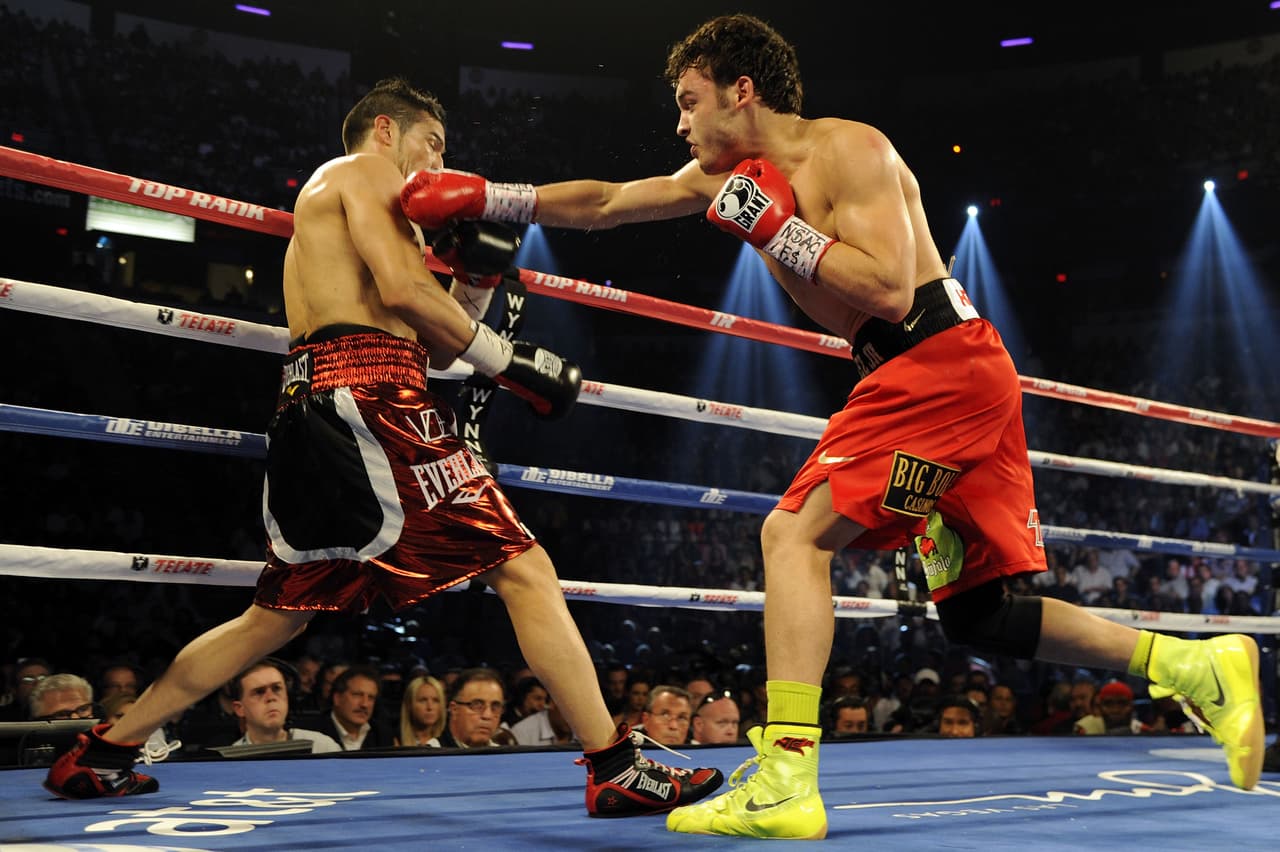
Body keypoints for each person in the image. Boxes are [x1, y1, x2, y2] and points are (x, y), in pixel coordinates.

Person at [400, 14, 1265, 838]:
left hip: (936, 362)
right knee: (981, 612)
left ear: (743, 91)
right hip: (940, 377)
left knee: (793, 535)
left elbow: (887, 289)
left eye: (689, 102)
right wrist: (490, 195)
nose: (678, 124)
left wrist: (776, 227)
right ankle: (1193, 664)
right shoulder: (723, 178)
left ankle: (787, 776)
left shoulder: (851, 147)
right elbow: (608, 202)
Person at [44, 77, 722, 817]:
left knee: (276, 616)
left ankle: (103, 751)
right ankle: (615, 765)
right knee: (524, 569)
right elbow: (401, 295)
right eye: (434, 145)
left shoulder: (358, 214)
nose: (438, 164)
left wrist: (473, 282)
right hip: (367, 402)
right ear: (388, 131)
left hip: (330, 403)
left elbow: (422, 347)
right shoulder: (362, 171)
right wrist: (511, 360)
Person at [227, 659, 340, 753]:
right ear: (239, 709)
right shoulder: (229, 761)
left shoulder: (321, 747)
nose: (271, 697)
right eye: (259, 692)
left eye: (277, 688)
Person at [319, 665, 392, 751]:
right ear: (337, 698)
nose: (364, 704)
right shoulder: (312, 733)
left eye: (371, 697)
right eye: (357, 695)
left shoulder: (383, 736)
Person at [395, 674, 447, 747]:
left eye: (435, 700)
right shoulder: (394, 741)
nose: (430, 707)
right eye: (423, 700)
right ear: (409, 705)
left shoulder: (449, 742)